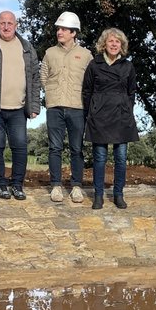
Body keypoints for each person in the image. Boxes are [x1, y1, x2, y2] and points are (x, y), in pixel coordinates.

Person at [0, 10, 40, 200]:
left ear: (16, 25)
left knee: (20, 147)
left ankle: (17, 184)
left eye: (10, 23)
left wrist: (34, 105)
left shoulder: (27, 47)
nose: (6, 26)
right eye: (2, 23)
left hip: (19, 109)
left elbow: (35, 78)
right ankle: (1, 184)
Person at [83, 28, 139, 210]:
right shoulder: (94, 65)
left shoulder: (128, 66)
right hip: (99, 116)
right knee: (99, 158)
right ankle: (98, 195)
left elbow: (132, 92)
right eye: (111, 41)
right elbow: (87, 91)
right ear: (104, 44)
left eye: (118, 42)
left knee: (121, 158)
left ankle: (118, 195)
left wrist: (125, 107)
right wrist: (92, 110)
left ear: (121, 46)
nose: (114, 44)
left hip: (122, 117)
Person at [40, 11, 91, 203]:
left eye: (63, 29)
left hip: (77, 108)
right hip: (54, 107)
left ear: (73, 33)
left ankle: (76, 186)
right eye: (58, 29)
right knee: (55, 147)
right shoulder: (49, 53)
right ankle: (56, 186)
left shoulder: (86, 55)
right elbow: (43, 77)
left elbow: (90, 81)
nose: (59, 32)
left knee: (77, 148)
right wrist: (52, 93)